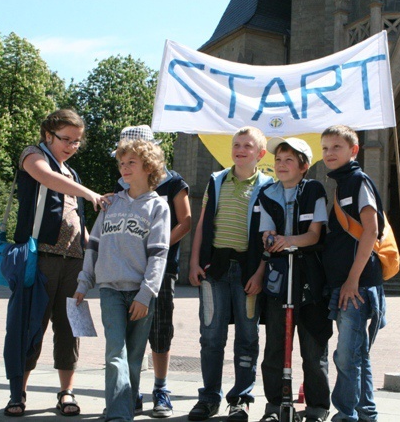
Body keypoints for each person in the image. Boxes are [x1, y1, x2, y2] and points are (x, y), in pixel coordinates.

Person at [3, 109, 110, 417]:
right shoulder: (33, 156)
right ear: (48, 135)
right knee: (29, 326)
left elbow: (76, 216)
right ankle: (17, 393)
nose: (72, 146)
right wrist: (90, 193)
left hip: (74, 261)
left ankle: (66, 392)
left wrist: (92, 247)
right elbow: (47, 178)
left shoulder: (72, 173)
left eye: (77, 142)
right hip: (40, 258)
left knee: (70, 329)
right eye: (66, 139)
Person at [74, 138, 171, 422]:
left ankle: (122, 407)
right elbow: (93, 245)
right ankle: (118, 415)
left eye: (132, 162)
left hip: (141, 293)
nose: (125, 168)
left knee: (133, 358)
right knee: (115, 352)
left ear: (148, 166)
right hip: (110, 291)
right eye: (121, 162)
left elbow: (159, 255)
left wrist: (146, 294)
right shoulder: (111, 203)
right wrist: (83, 283)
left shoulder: (158, 208)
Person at [188, 126, 273, 422]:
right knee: (211, 336)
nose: (241, 149)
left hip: (249, 272)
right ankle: (209, 397)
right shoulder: (216, 180)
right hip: (215, 271)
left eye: (248, 146)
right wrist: (194, 261)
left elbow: (270, 236)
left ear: (260, 154)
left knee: (247, 338)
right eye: (237, 144)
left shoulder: (268, 186)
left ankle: (241, 400)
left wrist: (261, 273)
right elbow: (201, 225)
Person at [112, 125, 191, 418]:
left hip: (161, 269)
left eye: (133, 155)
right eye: (123, 156)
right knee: (128, 333)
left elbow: (186, 221)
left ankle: (161, 388)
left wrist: (156, 245)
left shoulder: (173, 182)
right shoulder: (123, 181)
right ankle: (130, 391)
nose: (126, 162)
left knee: (159, 331)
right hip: (125, 271)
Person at [257, 137, 332, 422]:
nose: (281, 165)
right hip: (279, 276)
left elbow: (313, 235)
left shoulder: (313, 189)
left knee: (314, 347)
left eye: (289, 160)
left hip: (310, 277)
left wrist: (287, 240)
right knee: (275, 345)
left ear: (304, 166)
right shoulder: (267, 193)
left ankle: (317, 407)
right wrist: (271, 239)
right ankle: (274, 405)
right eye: (278, 160)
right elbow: (266, 234)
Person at [320, 125, 387, 422]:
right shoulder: (342, 184)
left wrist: (352, 280)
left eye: (336, 147)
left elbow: (371, 230)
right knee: (357, 354)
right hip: (345, 283)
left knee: (346, 356)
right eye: (325, 148)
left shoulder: (358, 181)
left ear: (353, 150)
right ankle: (365, 414)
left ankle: (346, 415)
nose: (329, 153)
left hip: (356, 285)